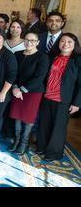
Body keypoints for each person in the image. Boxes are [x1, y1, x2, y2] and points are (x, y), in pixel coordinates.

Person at [37, 33, 81, 161]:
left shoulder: (77, 60)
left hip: (64, 100)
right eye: (63, 41)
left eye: (69, 42)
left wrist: (77, 103)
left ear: (74, 45)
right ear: (58, 43)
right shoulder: (52, 57)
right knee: (44, 125)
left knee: (58, 128)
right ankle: (42, 147)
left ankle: (53, 153)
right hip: (47, 97)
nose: (65, 44)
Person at [8, 32, 49, 155]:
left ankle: (24, 143)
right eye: (26, 40)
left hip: (33, 92)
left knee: (28, 118)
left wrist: (22, 89)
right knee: (17, 116)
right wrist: (15, 87)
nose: (29, 42)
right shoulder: (18, 54)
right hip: (17, 90)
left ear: (38, 42)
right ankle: (17, 140)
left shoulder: (42, 57)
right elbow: (13, 72)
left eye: (32, 40)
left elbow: (39, 77)